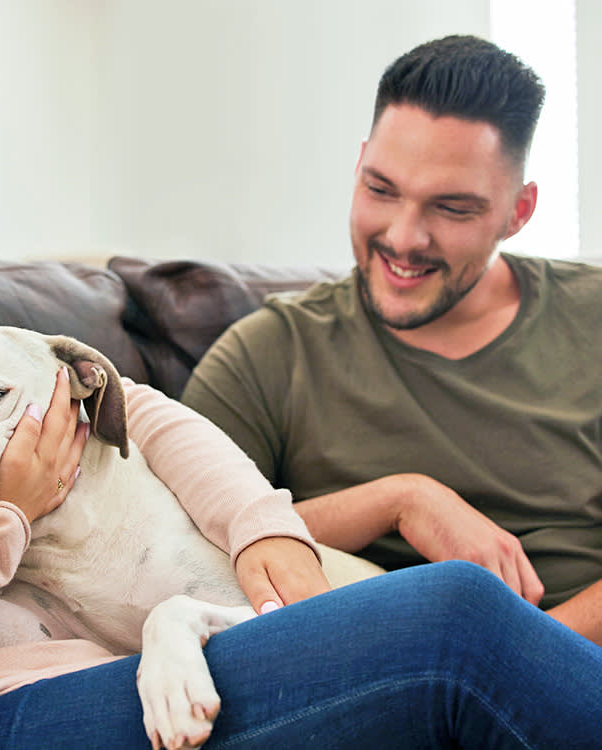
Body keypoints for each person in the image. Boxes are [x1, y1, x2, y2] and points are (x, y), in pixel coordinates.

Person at [0, 32, 602, 750]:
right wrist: (1, 521)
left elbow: (143, 410)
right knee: (456, 625)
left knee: (449, 626)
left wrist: (263, 530)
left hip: (124, 654)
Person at [183, 34, 602, 647]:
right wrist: (398, 501)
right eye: (381, 190)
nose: (404, 238)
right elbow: (177, 549)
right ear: (358, 166)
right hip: (374, 682)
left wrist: (523, 659)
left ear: (519, 210)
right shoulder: (266, 356)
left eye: (452, 208)